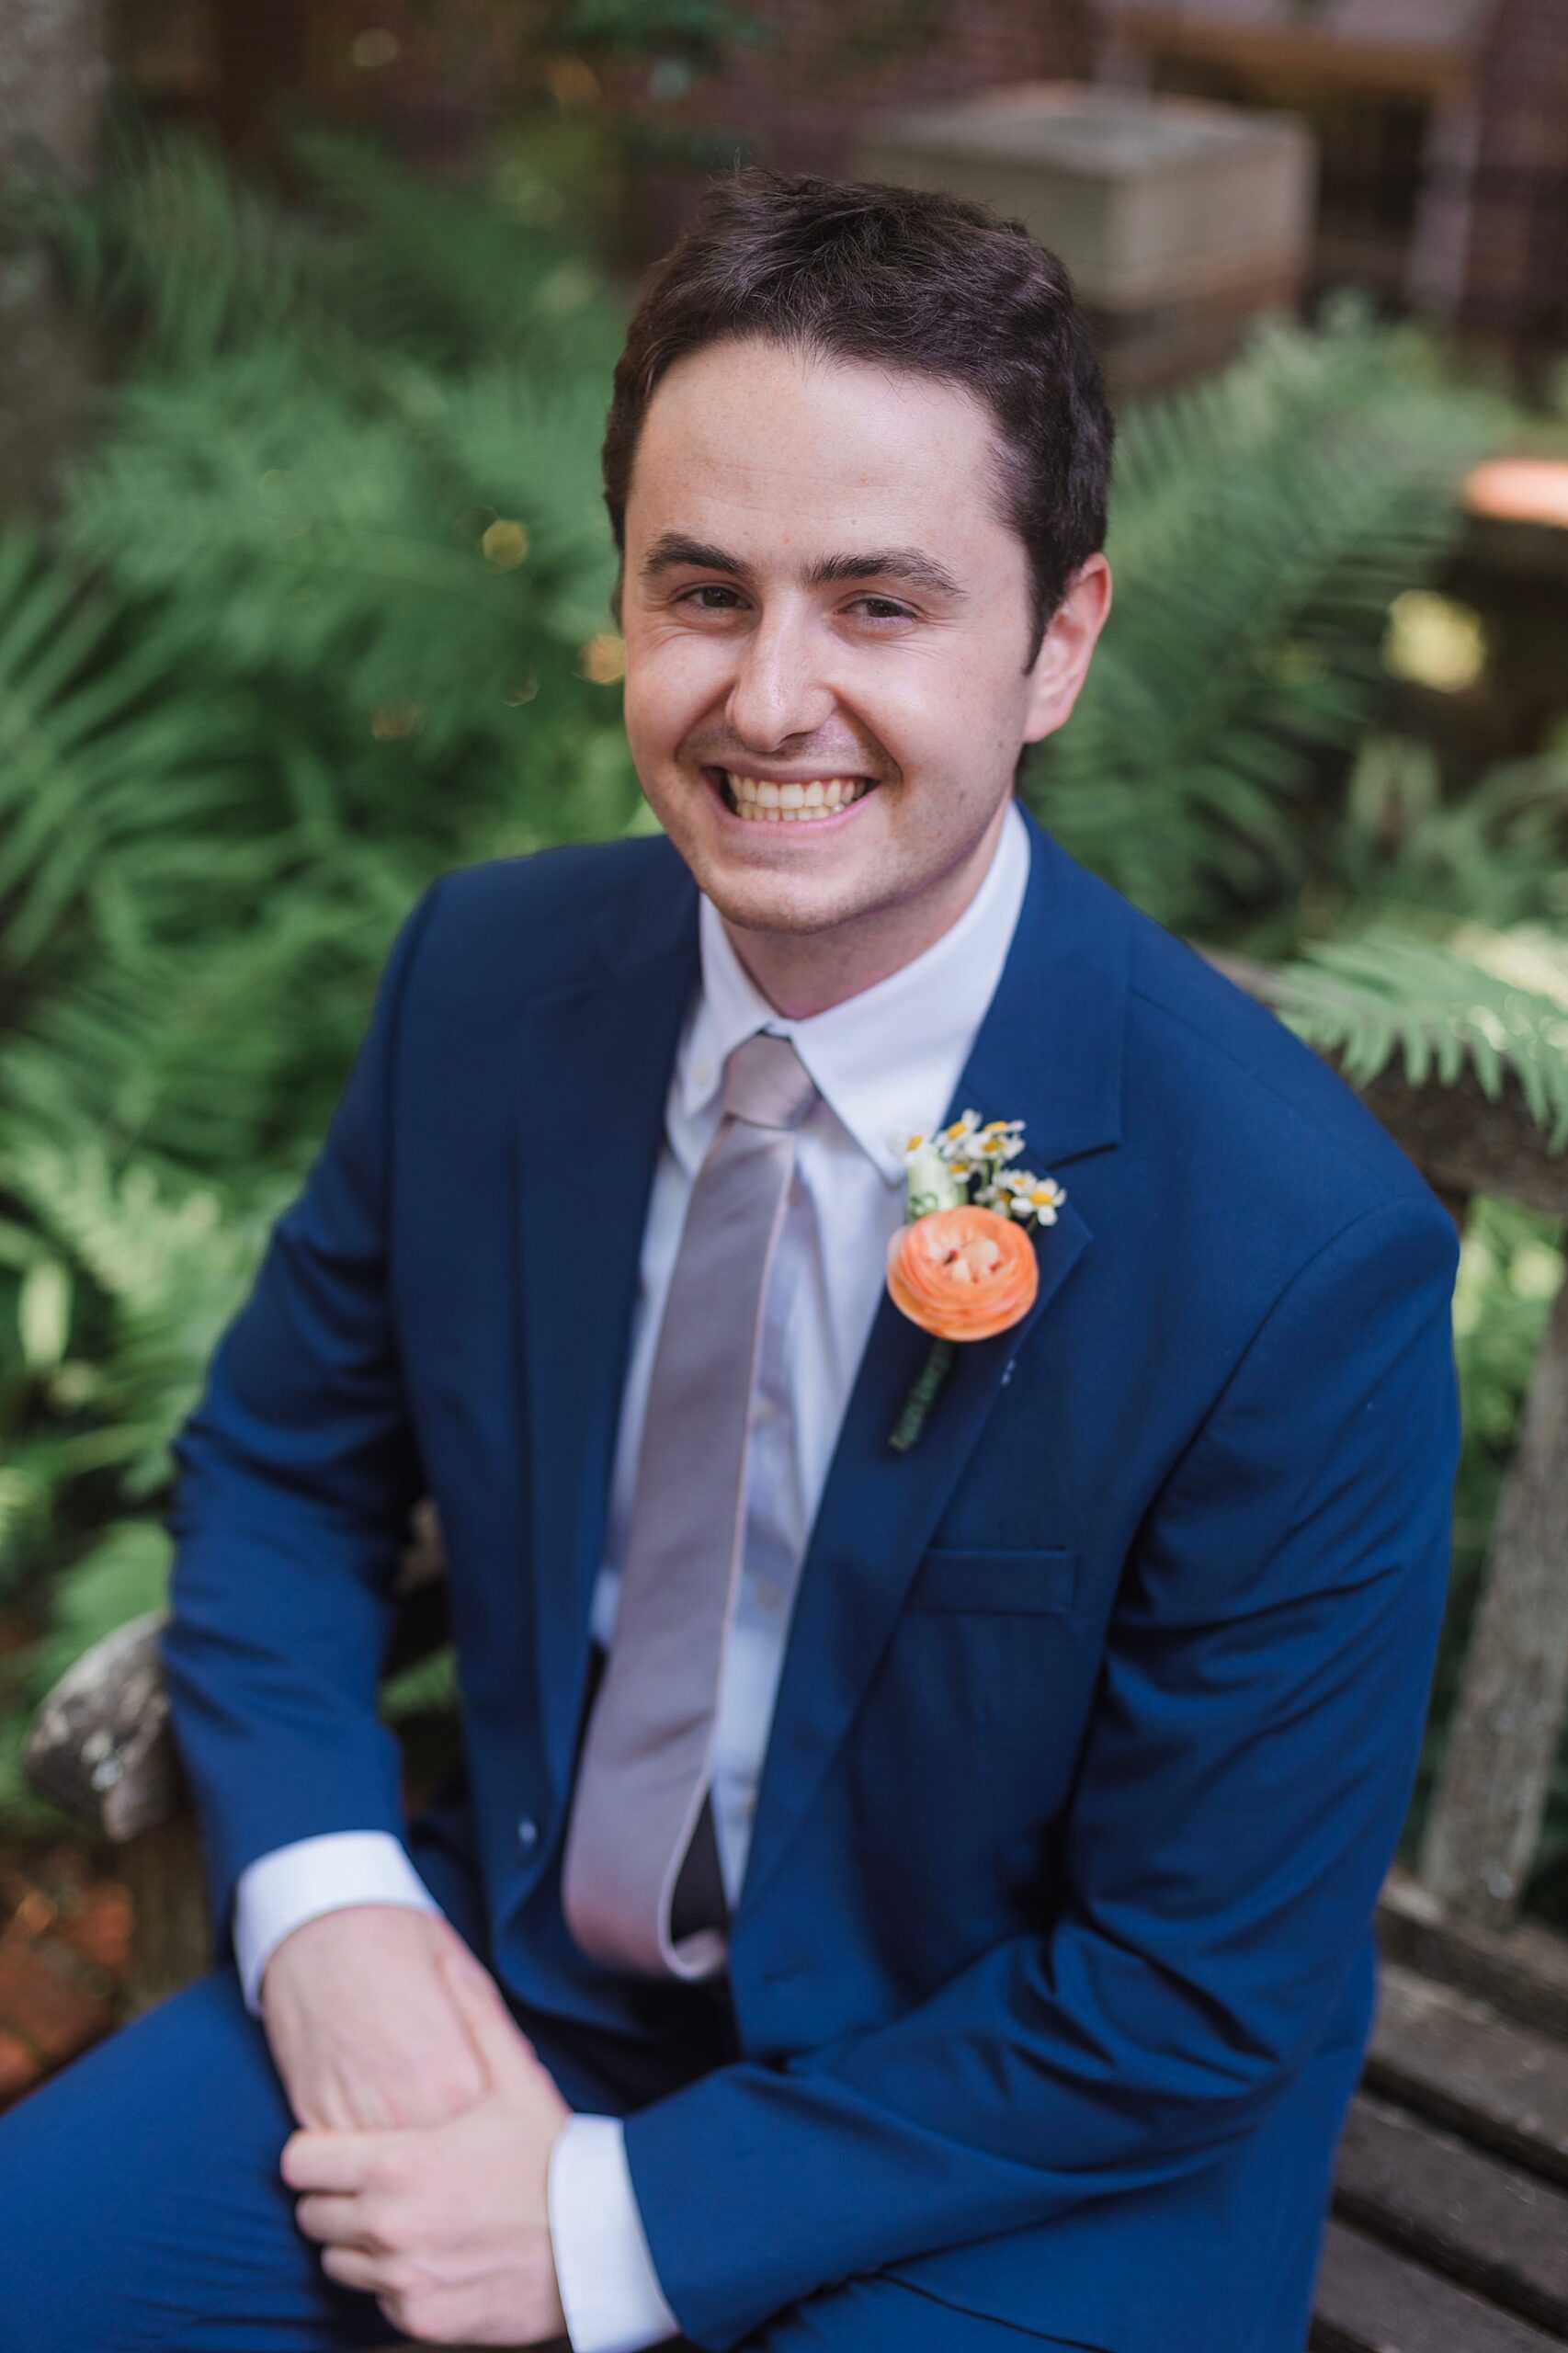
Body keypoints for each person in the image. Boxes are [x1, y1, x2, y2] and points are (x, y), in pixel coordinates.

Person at [0, 167, 1461, 2353]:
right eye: (705, 591)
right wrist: (323, 1908)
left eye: (881, 603)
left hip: (1019, 2152)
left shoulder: (1295, 1248)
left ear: (1060, 641)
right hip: (510, 1997)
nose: (770, 698)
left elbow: (1187, 1989)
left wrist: (598, 2227)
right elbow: (284, 1470)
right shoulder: (487, 987)